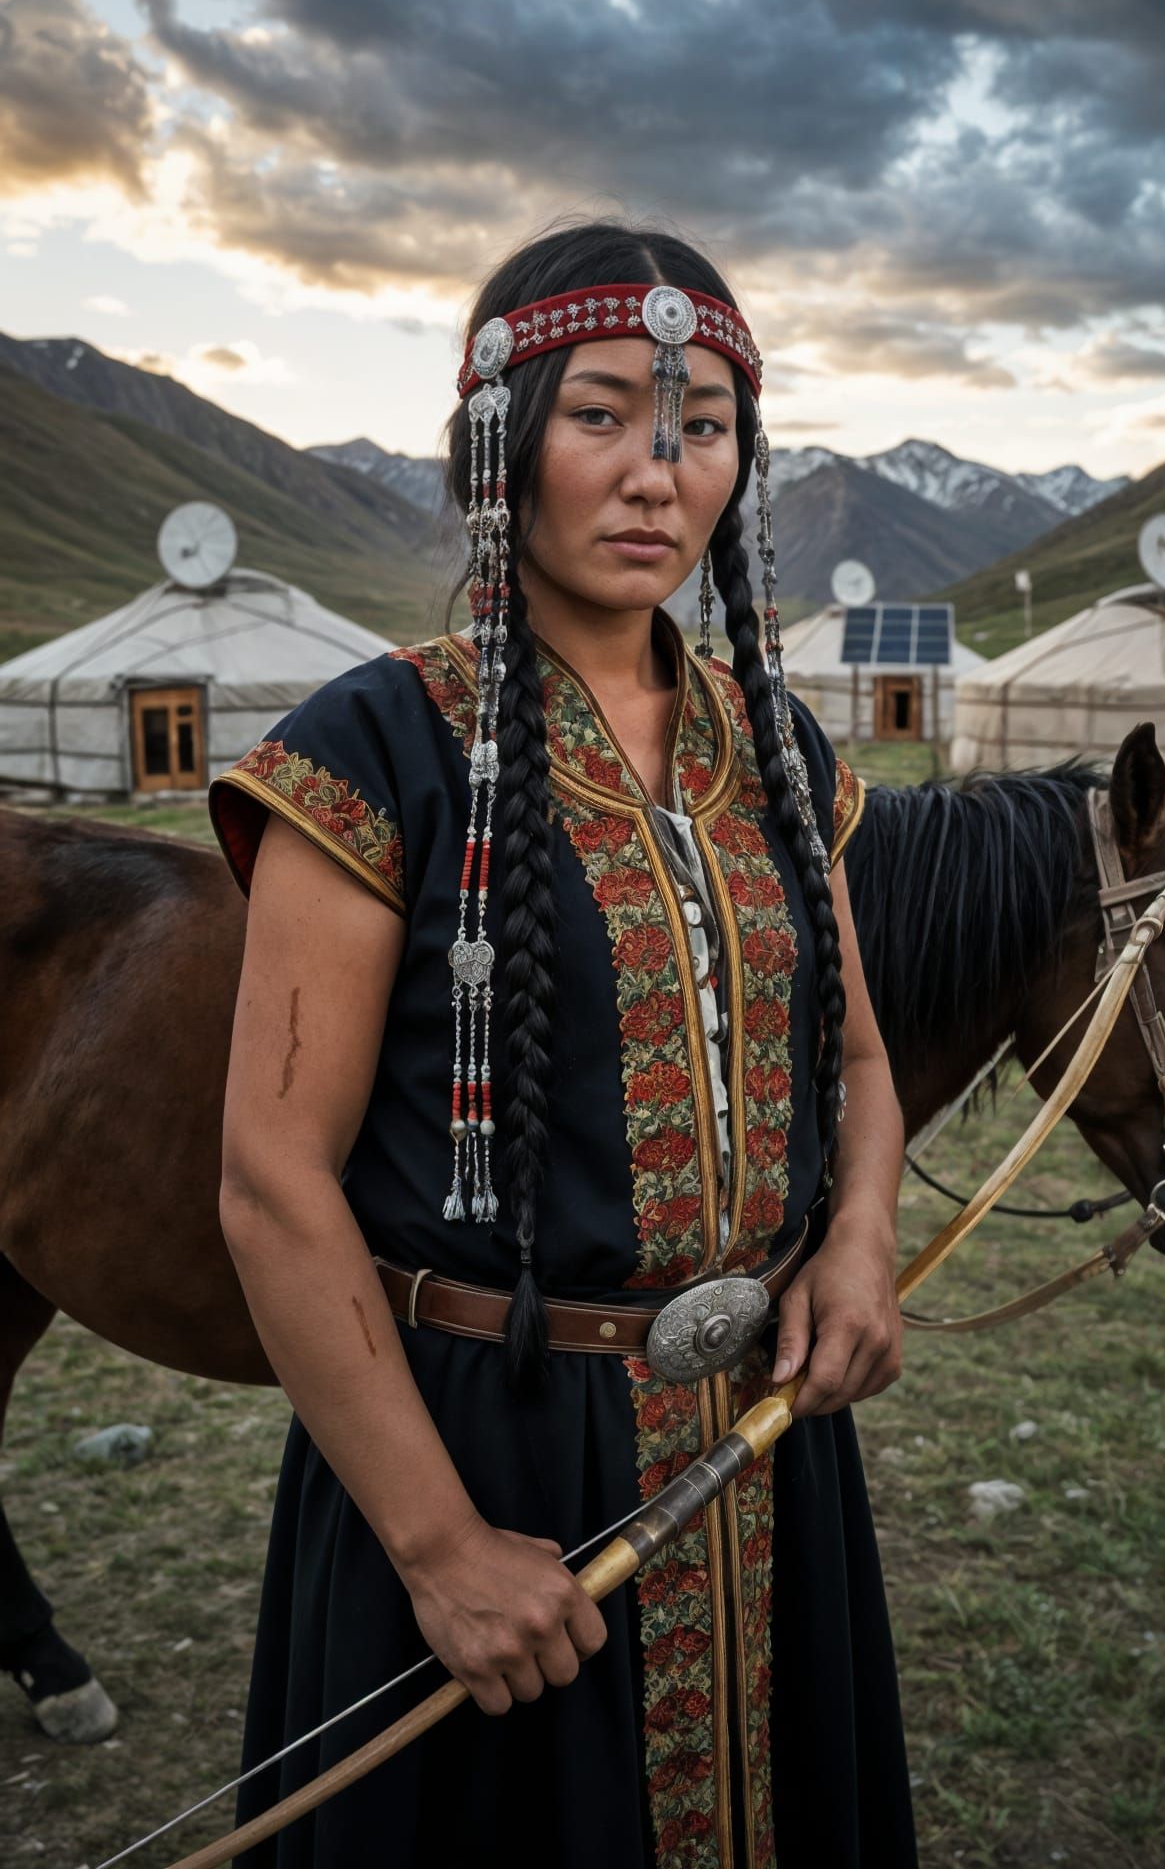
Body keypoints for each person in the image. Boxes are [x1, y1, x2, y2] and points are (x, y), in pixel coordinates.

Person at [208, 216, 919, 1868]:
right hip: (483, 1450)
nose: (658, 474)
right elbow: (270, 1182)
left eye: (703, 427)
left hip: (757, 1447)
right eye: (601, 414)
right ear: (499, 444)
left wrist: (860, 1245)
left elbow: (864, 1068)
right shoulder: (376, 746)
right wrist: (442, 1545)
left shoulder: (781, 747)